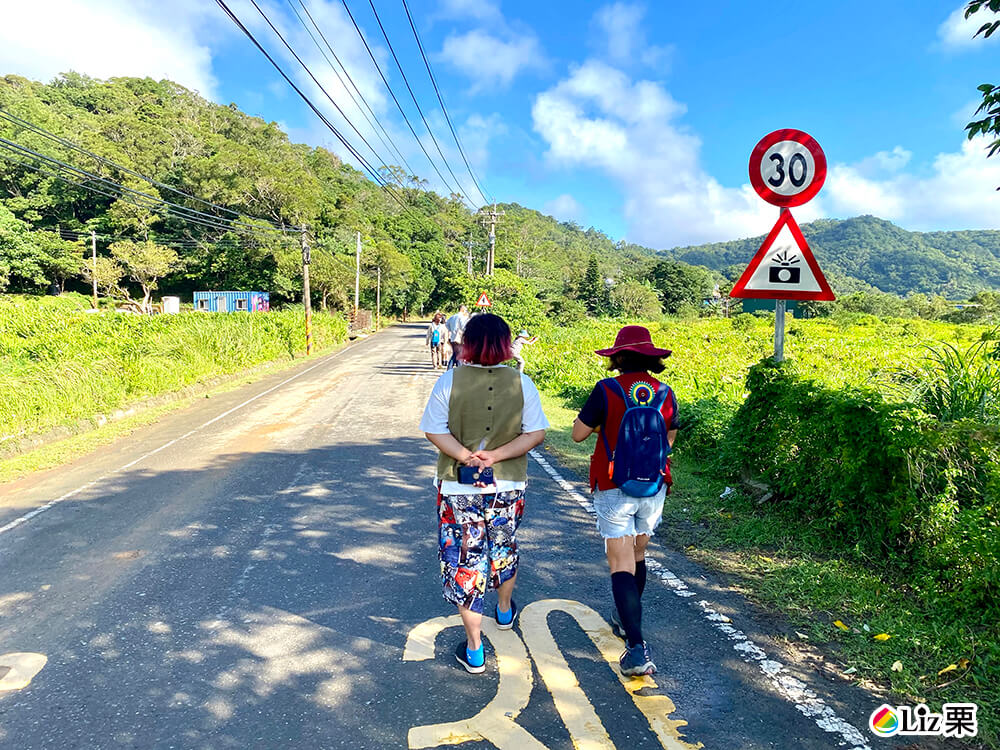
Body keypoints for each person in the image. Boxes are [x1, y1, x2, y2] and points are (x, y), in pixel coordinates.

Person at [419, 313, 548, 674]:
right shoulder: (523, 383)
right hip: (506, 484)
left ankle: (475, 649)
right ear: (506, 343)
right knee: (503, 547)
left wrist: (466, 456)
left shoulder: (450, 382)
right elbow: (534, 434)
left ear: (469, 342)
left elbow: (434, 430)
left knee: (465, 559)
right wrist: (496, 456)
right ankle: (505, 611)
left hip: (458, 485)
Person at [570, 325, 678, 677]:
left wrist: (606, 428)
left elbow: (577, 434)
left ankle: (636, 647)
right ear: (650, 358)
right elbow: (671, 435)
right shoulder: (664, 391)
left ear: (617, 357)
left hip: (614, 484)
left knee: (619, 562)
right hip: (653, 486)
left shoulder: (607, 389)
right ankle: (624, 616)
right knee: (638, 554)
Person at [445, 305, 470, 369]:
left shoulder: (453, 316)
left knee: (455, 354)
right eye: (465, 310)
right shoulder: (462, 317)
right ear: (463, 310)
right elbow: (463, 327)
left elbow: (447, 324)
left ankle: (449, 368)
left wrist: (452, 330)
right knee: (459, 355)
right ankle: (459, 369)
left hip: (453, 338)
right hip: (459, 339)